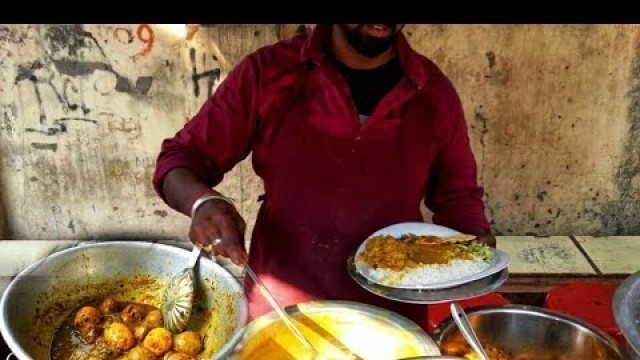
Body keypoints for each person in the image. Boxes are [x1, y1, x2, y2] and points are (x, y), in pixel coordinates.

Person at [152, 24, 495, 330]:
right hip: (281, 314)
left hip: (392, 322)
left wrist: (473, 246)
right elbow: (180, 159)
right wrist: (203, 202)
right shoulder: (268, 73)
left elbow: (458, 198)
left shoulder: (433, 93)